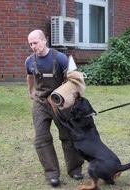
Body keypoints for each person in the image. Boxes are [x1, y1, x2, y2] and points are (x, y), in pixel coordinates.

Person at [25, 29, 84, 187]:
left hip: (60, 102)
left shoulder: (60, 58)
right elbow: (30, 77)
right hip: (41, 102)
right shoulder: (29, 61)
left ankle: (75, 169)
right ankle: (52, 174)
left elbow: (72, 81)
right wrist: (31, 92)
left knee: (68, 136)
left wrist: (73, 98)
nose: (33, 46)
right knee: (41, 138)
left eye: (35, 42)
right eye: (30, 44)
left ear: (44, 40)